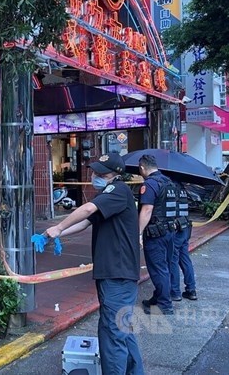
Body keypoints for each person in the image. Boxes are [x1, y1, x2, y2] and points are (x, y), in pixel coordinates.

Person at [45, 153, 143, 375]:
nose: (95, 176)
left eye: (102, 173)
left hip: (117, 274)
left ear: (116, 174)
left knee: (112, 334)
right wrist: (53, 236)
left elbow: (87, 209)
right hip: (116, 273)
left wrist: (58, 227)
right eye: (95, 172)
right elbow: (85, 223)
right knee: (121, 328)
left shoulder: (117, 190)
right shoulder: (111, 199)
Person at [137, 155, 175, 314]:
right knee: (165, 267)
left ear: (142, 168)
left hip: (155, 234)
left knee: (158, 269)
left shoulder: (150, 184)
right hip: (170, 231)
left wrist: (138, 233)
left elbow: (147, 210)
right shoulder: (169, 182)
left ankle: (164, 305)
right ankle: (159, 297)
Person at [171, 181, 198, 301]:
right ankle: (191, 290)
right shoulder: (183, 188)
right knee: (185, 259)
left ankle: (175, 292)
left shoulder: (171, 187)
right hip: (185, 226)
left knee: (173, 260)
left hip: (177, 228)